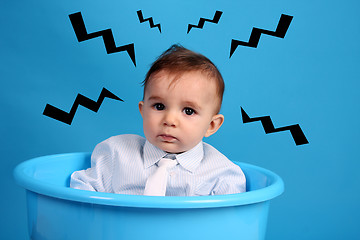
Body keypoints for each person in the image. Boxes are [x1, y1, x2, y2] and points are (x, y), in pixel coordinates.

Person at [70, 44, 246, 196]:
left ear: (211, 125)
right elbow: (81, 190)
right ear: (143, 110)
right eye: (159, 107)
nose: (169, 120)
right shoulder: (115, 153)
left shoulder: (222, 175)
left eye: (188, 111)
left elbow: (226, 223)